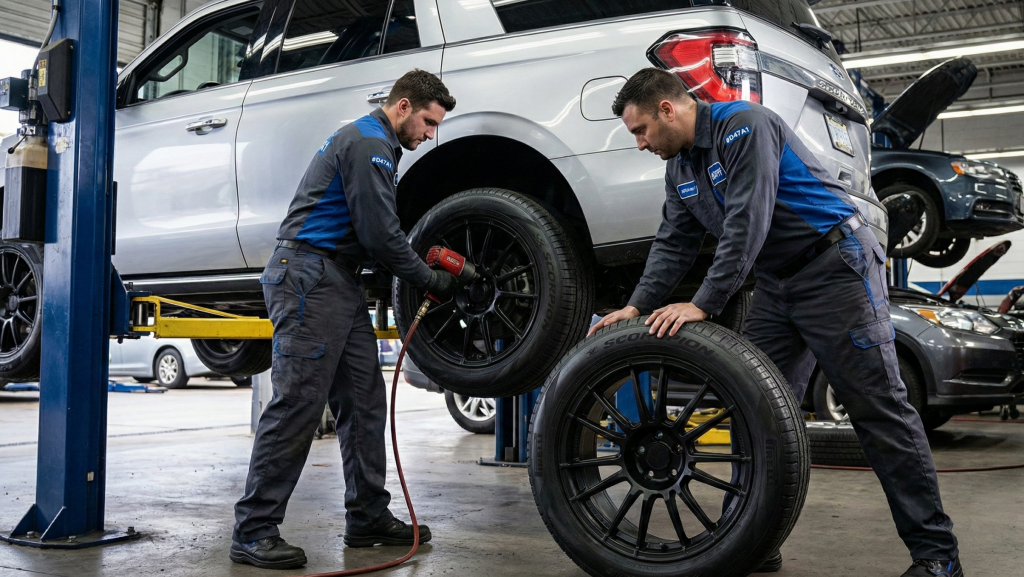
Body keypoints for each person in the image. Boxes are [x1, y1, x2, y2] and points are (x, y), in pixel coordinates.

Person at [589, 68, 962, 577]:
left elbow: (749, 218)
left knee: (879, 411)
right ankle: (754, 543)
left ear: (667, 110)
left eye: (640, 130)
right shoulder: (680, 169)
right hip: (776, 283)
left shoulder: (745, 125)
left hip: (835, 268)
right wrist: (636, 306)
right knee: (755, 413)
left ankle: (937, 556)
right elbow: (674, 242)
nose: (639, 144)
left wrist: (705, 301)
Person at [230, 70, 459, 570]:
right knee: (297, 404)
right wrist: (428, 278)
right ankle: (253, 530)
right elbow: (380, 234)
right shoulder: (368, 143)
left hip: (336, 279)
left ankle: (367, 517)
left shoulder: (373, 141)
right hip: (310, 276)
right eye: (426, 122)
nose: (428, 135)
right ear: (402, 106)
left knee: (363, 399)